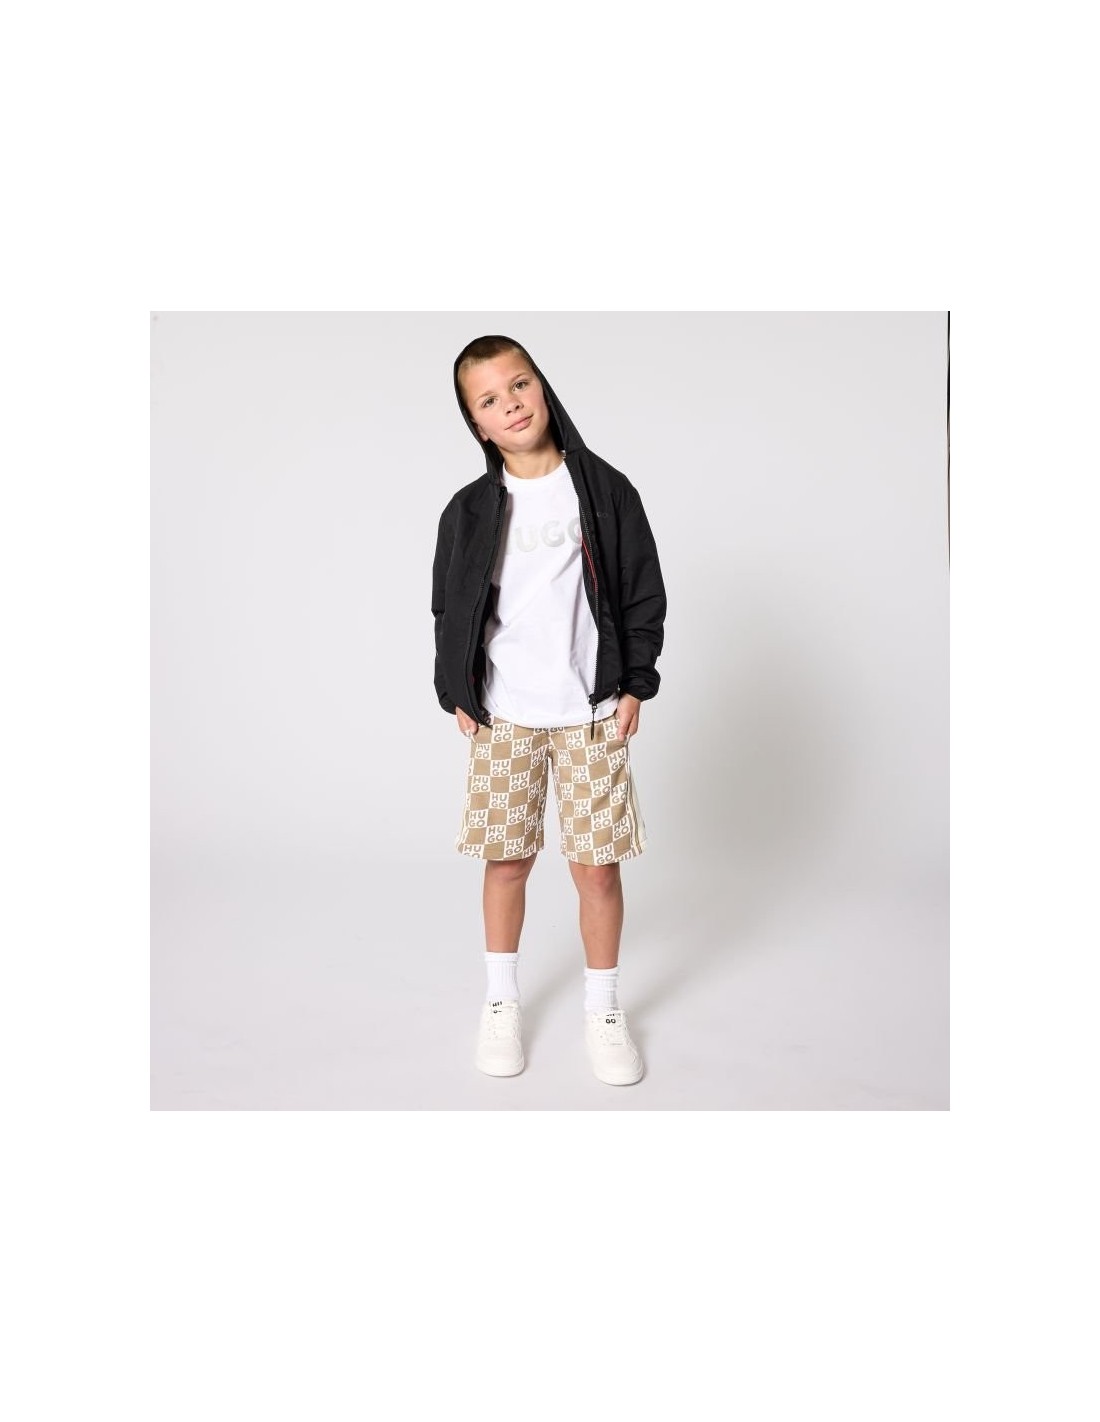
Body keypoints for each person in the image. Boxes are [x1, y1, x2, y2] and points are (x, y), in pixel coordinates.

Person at [431, 334, 667, 1086]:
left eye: (519, 384)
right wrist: (455, 690)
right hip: (505, 714)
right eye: (489, 400)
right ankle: (501, 1002)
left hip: (590, 710)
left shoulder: (604, 490)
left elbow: (642, 591)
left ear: (542, 386)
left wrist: (635, 684)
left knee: (597, 869)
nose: (511, 405)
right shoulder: (468, 510)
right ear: (476, 423)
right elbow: (448, 607)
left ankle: (603, 1009)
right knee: (507, 862)